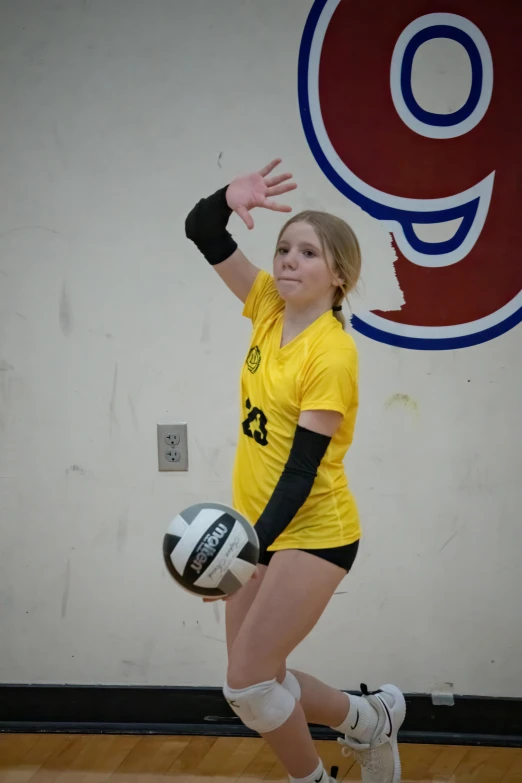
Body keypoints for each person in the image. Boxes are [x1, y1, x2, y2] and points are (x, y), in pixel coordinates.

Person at [185, 159, 406, 783]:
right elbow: (202, 228)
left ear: (339, 275)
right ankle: (368, 720)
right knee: (254, 680)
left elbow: (300, 472)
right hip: (260, 527)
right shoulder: (265, 306)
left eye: (307, 253)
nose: (286, 260)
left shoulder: (331, 354)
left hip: (315, 530)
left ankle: (314, 779)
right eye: (283, 248)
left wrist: (242, 550)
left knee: (250, 682)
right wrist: (229, 196)